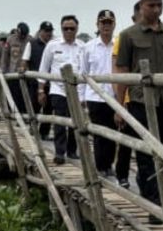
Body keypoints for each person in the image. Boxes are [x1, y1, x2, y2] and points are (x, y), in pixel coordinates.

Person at [114, 0, 163, 212]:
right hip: (140, 103)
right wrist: (119, 107)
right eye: (151, 5)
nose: (156, 10)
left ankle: (154, 188)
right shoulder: (128, 36)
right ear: (141, 5)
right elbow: (122, 72)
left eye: (159, 5)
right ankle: (154, 204)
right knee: (146, 155)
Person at [39, 15, 85, 164]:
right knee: (60, 120)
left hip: (77, 90)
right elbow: (43, 69)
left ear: (77, 29)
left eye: (72, 28)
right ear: (61, 29)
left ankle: (72, 151)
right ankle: (60, 152)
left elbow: (85, 71)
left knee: (75, 121)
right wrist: (41, 90)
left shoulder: (82, 46)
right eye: (66, 28)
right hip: (57, 89)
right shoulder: (53, 45)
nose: (69, 31)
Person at [81, 9, 118, 176]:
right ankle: (100, 166)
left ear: (114, 24)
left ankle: (109, 164)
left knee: (112, 133)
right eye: (103, 23)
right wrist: (81, 97)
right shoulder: (89, 47)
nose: (106, 26)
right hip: (94, 96)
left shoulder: (118, 45)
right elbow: (83, 74)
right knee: (98, 133)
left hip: (113, 96)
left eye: (109, 23)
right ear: (97, 24)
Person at [111, 2, 141, 187]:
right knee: (126, 142)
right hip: (130, 98)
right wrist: (120, 104)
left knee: (147, 141)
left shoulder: (153, 38)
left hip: (148, 99)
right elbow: (118, 72)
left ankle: (145, 177)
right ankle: (122, 175)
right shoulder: (125, 38)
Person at [22, 21, 55, 137]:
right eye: (46, 31)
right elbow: (25, 60)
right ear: (40, 31)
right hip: (35, 82)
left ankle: (44, 133)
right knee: (34, 106)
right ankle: (33, 128)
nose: (48, 34)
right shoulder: (32, 44)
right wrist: (23, 71)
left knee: (49, 108)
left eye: (50, 31)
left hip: (51, 83)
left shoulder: (54, 45)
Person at [3, 22, 31, 112]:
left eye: (24, 35)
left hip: (26, 74)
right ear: (17, 32)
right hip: (12, 73)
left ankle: (23, 114)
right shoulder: (10, 39)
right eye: (21, 34)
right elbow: (5, 56)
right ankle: (14, 114)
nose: (23, 37)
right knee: (13, 95)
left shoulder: (30, 40)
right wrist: (3, 71)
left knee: (24, 97)